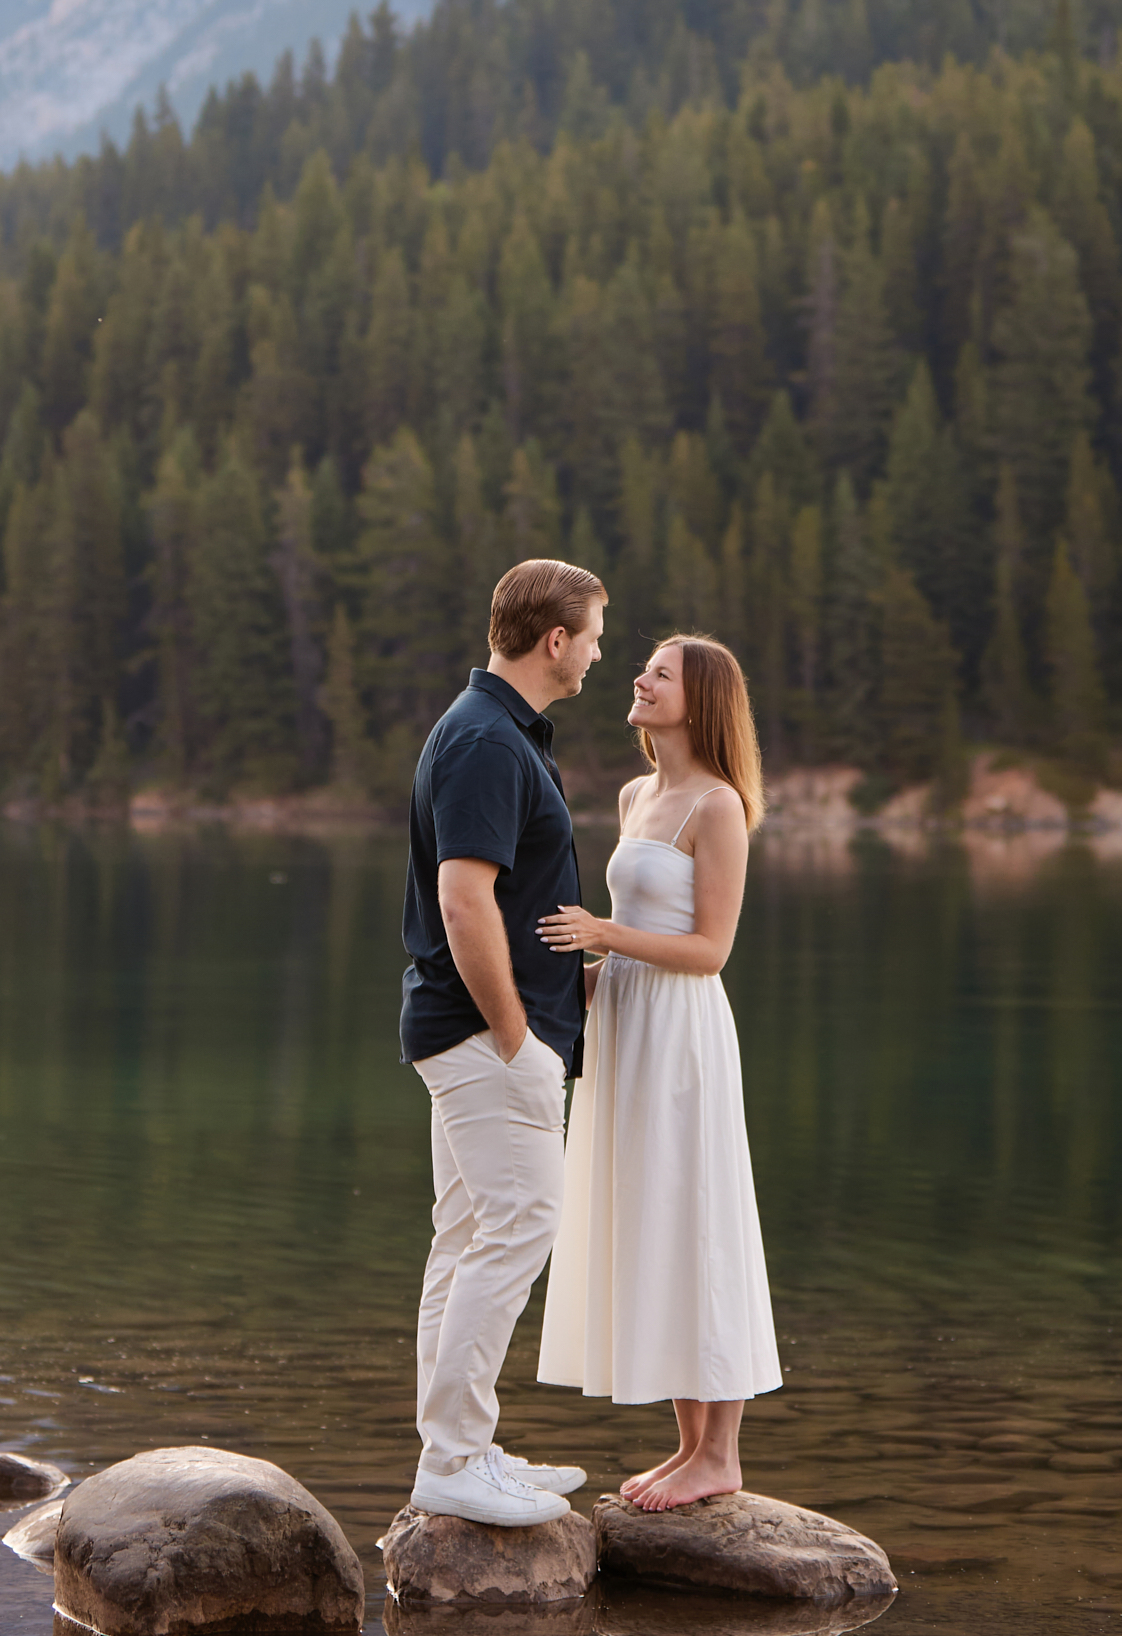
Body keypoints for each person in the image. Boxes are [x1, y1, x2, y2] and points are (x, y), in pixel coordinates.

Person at [535, 633, 780, 1509]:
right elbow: (643, 930)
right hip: (629, 1024)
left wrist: (602, 934)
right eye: (641, 666)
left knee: (700, 1221)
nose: (636, 679)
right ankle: (687, 1448)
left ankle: (721, 1455)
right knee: (656, 1222)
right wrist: (580, 979)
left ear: (699, 699)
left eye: (659, 674)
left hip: (682, 1036)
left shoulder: (716, 805)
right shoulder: (640, 792)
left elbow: (709, 950)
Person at [400, 557, 607, 1528]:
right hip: (489, 1035)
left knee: (469, 1235)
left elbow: (510, 896)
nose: (600, 653)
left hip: (478, 1029)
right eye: (595, 633)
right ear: (553, 638)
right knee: (519, 1226)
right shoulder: (485, 738)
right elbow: (463, 895)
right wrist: (518, 1031)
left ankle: (462, 1447)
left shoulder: (500, 731)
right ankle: (450, 1459)